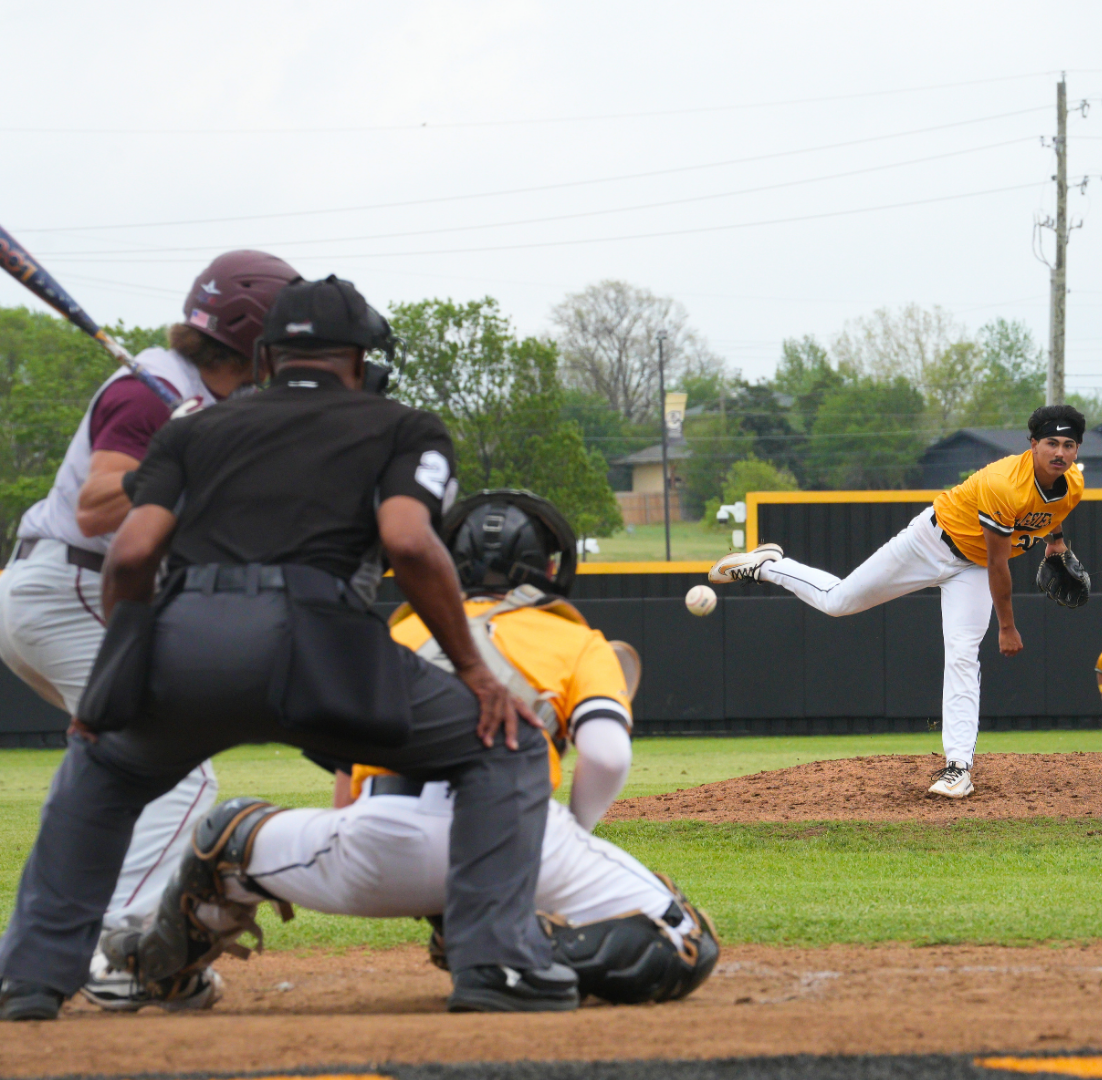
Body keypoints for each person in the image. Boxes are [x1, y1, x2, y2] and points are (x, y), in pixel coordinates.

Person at [0, 276, 572, 1022]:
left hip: (187, 646)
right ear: (360, 361)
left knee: (101, 770)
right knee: (507, 746)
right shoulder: (402, 426)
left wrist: (116, 682)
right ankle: (495, 963)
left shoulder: (190, 431)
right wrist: (474, 672)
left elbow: (131, 556)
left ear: (265, 358)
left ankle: (30, 978)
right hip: (324, 652)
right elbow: (407, 540)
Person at [99, 490, 718, 1007]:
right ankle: (510, 943)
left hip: (375, 849)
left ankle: (148, 963)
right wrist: (560, 835)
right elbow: (607, 755)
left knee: (227, 832)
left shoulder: (400, 628)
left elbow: (347, 778)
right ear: (551, 569)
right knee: (683, 938)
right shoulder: (576, 639)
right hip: (515, 847)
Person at [0, 250, 298, 1012]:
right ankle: (118, 949)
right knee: (176, 767)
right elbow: (101, 508)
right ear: (257, 344)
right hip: (70, 582)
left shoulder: (189, 398)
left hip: (69, 590)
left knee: (103, 777)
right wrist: (176, 446)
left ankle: (40, 947)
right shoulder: (150, 393)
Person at [708, 405, 1088, 799]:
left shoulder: (1073, 482)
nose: (1059, 452)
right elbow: (998, 563)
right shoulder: (1004, 483)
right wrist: (1007, 627)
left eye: (1068, 444)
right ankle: (768, 566)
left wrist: (1056, 543)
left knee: (962, 654)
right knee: (839, 601)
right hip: (930, 544)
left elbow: (1050, 510)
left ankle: (958, 767)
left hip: (971, 570)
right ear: (1032, 445)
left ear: (1077, 449)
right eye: (1050, 443)